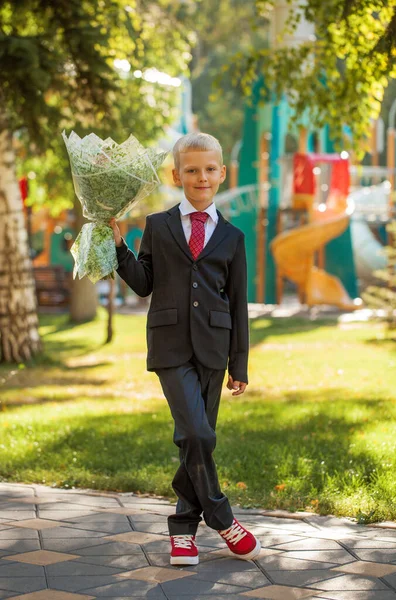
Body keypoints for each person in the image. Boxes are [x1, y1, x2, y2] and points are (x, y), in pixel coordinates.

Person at [109, 132, 260, 566]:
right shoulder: (157, 226)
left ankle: (182, 533)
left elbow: (238, 302)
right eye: (191, 170)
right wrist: (120, 248)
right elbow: (143, 283)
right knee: (196, 433)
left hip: (215, 348)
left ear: (222, 174)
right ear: (177, 175)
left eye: (209, 169)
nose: (201, 177)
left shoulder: (232, 237)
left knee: (196, 442)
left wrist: (240, 362)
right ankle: (223, 516)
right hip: (170, 345)